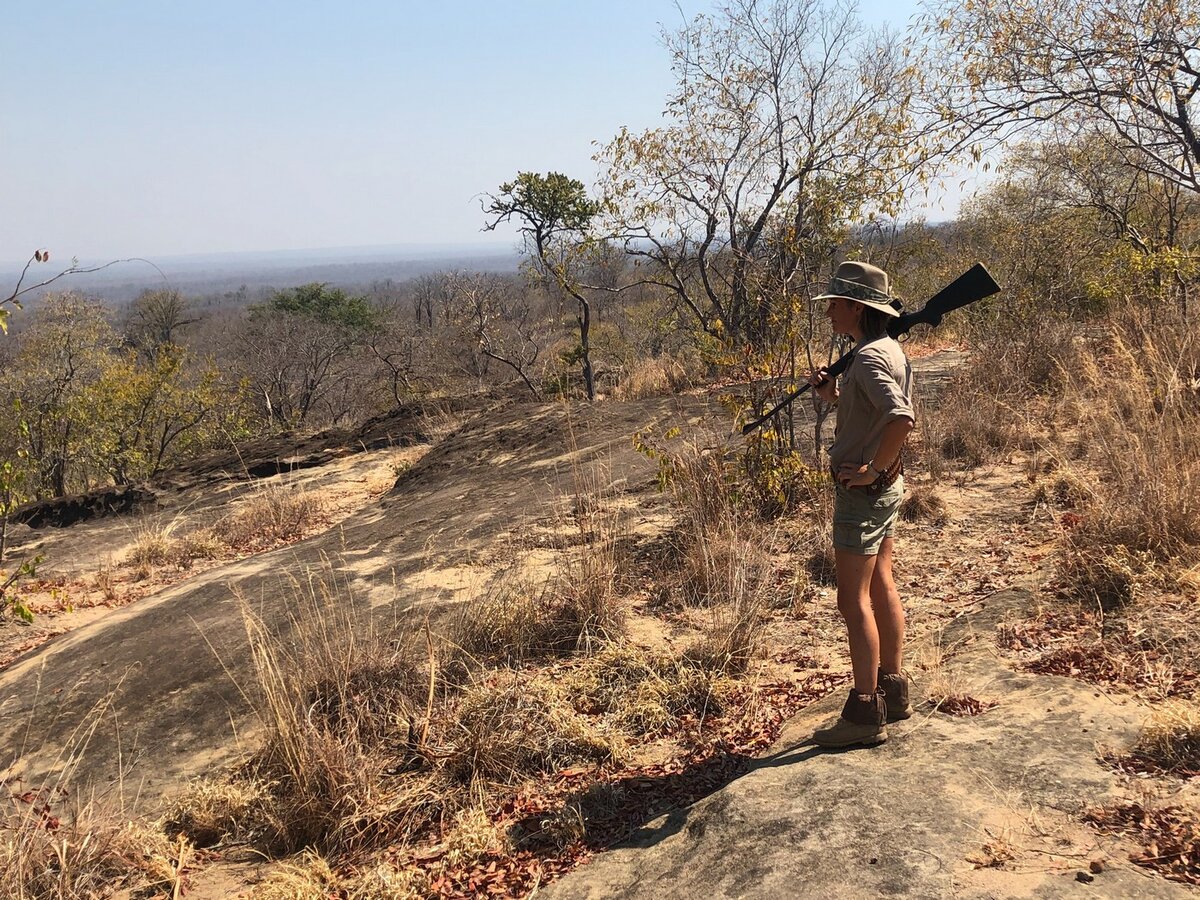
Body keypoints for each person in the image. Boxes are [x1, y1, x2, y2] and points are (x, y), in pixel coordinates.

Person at [807, 261, 915, 748]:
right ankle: (894, 690)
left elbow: (899, 418)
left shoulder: (869, 358)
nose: (828, 311)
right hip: (884, 488)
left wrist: (870, 469)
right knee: (882, 585)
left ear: (855, 307)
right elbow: (870, 415)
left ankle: (864, 712)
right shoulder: (886, 349)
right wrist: (833, 396)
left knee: (852, 599)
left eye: (833, 303)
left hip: (863, 493)